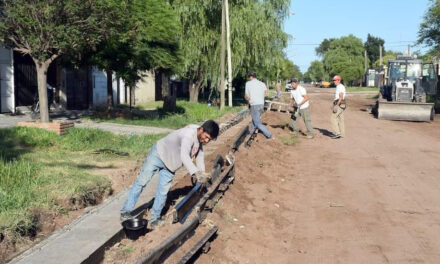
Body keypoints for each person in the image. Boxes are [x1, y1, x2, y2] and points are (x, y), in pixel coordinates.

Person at [120, 120, 219, 229]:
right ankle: (125, 212)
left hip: (171, 165)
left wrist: (202, 175)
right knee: (142, 182)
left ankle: (154, 220)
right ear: (201, 129)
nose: (206, 140)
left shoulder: (199, 135)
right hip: (158, 154)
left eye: (208, 139)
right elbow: (185, 156)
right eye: (206, 137)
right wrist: (195, 173)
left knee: (163, 192)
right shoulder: (188, 136)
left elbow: (200, 156)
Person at [244, 71, 273, 139]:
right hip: (261, 104)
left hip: (254, 104)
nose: (249, 78)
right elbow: (266, 93)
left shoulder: (248, 84)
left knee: (257, 122)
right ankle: (251, 132)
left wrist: (247, 100)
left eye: (249, 77)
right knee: (255, 119)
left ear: (250, 77)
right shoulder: (262, 83)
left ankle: (269, 135)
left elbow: (247, 96)